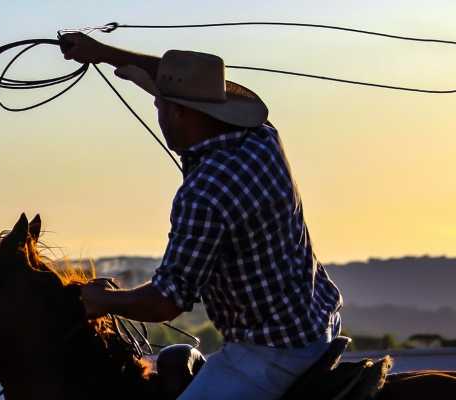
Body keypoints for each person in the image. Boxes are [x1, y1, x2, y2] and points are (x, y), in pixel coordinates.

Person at [60, 32, 343, 400]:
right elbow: (176, 83)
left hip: (270, 353)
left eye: (160, 105)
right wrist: (103, 52)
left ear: (178, 112)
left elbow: (167, 300)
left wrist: (102, 301)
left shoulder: (203, 194)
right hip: (318, 321)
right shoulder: (262, 137)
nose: (156, 110)